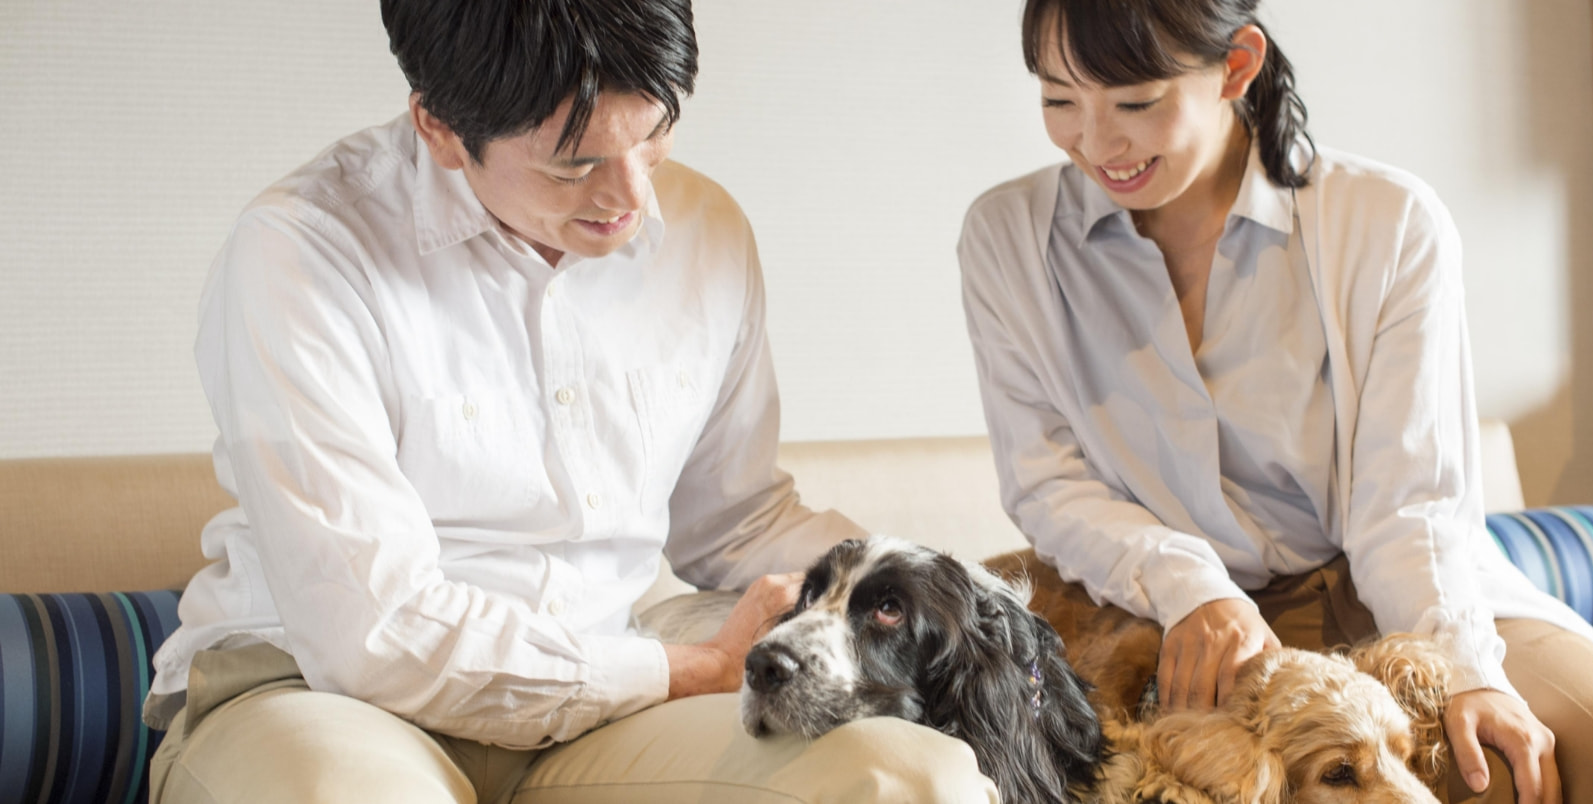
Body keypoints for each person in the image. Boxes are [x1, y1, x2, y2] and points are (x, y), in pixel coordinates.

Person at [143, 1, 998, 802]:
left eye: (656, 135)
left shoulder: (707, 234)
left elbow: (734, 522)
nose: (632, 199)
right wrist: (692, 668)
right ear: (439, 127)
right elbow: (376, 636)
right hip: (320, 695)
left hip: (604, 706)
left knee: (908, 778)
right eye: (576, 163)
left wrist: (974, 598)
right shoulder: (302, 253)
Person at [956, 0, 1593, 802]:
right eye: (1058, 100)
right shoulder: (1007, 240)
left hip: (1396, 589)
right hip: (1189, 626)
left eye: (1136, 103)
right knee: (1479, 789)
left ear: (1238, 64)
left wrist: (1463, 669)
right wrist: (1191, 588)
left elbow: (1411, 505)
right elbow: (1049, 484)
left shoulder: (1386, 223)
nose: (1096, 142)